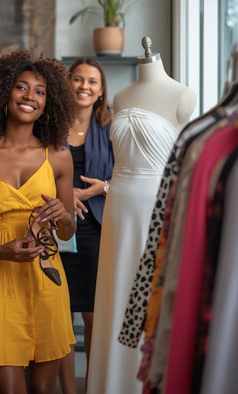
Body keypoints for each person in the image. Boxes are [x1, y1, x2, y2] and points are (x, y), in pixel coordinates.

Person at [0, 49, 77, 394]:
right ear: (3, 92)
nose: (30, 97)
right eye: (21, 87)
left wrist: (64, 215)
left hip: (47, 275)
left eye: (40, 91)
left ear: (48, 104)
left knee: (43, 389)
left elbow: (67, 231)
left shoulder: (60, 156)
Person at [87, 39, 196, 394]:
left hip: (157, 204)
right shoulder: (119, 97)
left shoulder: (183, 96)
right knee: (116, 290)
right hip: (118, 205)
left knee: (149, 290)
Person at [57, 58, 114, 393]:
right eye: (77, 79)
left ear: (101, 90)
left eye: (92, 82)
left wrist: (101, 188)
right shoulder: (49, 125)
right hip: (56, 225)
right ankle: (68, 389)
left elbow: (127, 175)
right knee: (60, 314)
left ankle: (92, 384)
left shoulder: (112, 127)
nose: (84, 87)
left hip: (95, 226)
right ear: (67, 84)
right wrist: (62, 196)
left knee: (92, 314)